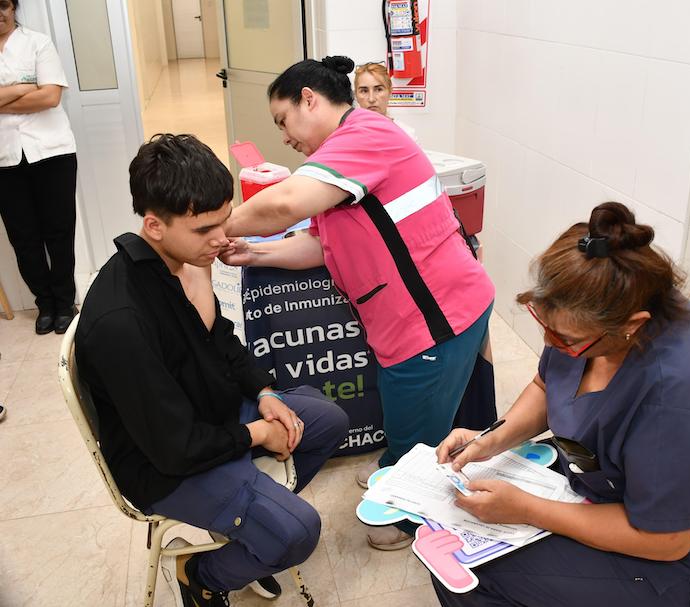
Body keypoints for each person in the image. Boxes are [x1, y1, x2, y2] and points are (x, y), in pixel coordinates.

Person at [221, 55, 495, 550]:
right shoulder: (339, 158)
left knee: (416, 432)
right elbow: (319, 245)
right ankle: (399, 470)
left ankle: (411, 516)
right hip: (409, 320)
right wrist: (253, 252)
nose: (284, 136)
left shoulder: (365, 135)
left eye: (283, 120)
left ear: (309, 99)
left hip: (435, 321)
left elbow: (283, 204)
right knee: (405, 414)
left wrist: (212, 227)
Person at [434, 202, 690, 607]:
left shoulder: (686, 393)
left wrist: (528, 509)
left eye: (565, 340)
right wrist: (490, 440)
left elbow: (668, 540)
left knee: (467, 574)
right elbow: (546, 385)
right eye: (544, 325)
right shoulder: (592, 312)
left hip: (673, 557)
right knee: (448, 535)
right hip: (598, 479)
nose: (550, 343)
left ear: (632, 326)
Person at [75, 134, 349, 607]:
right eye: (205, 229)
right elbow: (174, 449)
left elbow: (220, 339)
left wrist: (264, 392)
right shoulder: (121, 320)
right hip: (165, 465)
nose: (222, 239)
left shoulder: (185, 262)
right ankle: (200, 574)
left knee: (326, 421)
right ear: (154, 225)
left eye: (224, 220)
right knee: (299, 531)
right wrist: (258, 434)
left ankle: (251, 529)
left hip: (209, 415)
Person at [0, 0, 78, 335]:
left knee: (59, 232)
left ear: (13, 7)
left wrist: (5, 97)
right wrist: (24, 88)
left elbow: (50, 98)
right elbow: (39, 93)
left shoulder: (38, 43)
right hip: (4, 160)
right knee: (24, 238)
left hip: (52, 153)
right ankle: (44, 304)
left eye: (3, 5)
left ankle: (65, 302)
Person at [353, 61, 417, 141]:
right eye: (364, 91)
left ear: (390, 91)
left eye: (379, 89)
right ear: (356, 95)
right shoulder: (347, 135)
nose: (371, 99)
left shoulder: (407, 134)